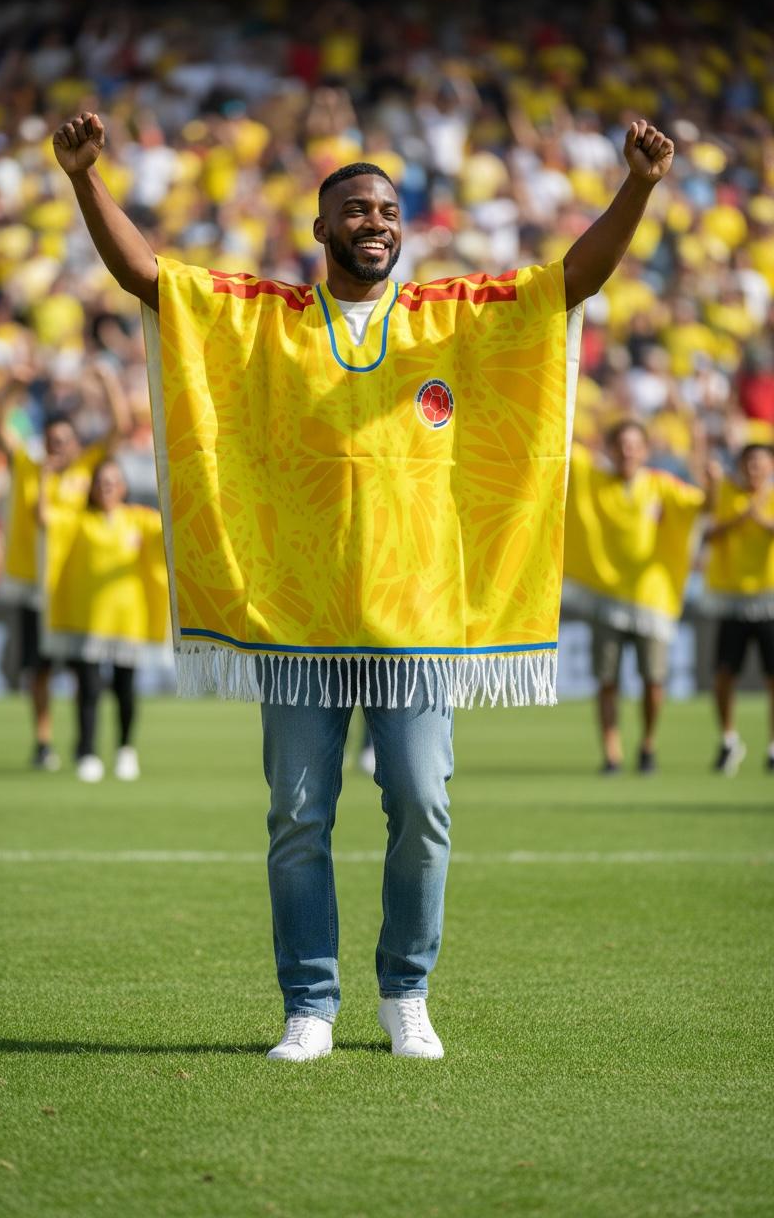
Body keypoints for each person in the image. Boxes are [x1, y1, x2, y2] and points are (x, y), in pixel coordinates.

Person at [55, 108, 674, 1061]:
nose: (374, 220)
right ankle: (310, 1006)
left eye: (387, 208)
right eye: (354, 209)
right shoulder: (268, 317)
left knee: (422, 807)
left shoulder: (448, 318)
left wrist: (636, 185)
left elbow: (569, 284)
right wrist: (87, 176)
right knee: (298, 817)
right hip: (299, 620)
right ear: (321, 229)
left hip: (419, 617)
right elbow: (148, 279)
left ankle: (406, 994)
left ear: (404, 224)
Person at [0, 370, 130, 769]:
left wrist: (106, 381)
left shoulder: (87, 466)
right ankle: (43, 742)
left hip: (76, 585)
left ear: (75, 444)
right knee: (39, 668)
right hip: (37, 585)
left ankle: (85, 745)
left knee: (83, 669)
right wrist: (13, 391)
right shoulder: (29, 466)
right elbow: (2, 429)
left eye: (63, 442)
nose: (57, 448)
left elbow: (120, 426)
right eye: (51, 442)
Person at [562, 420, 705, 773]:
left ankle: (647, 744)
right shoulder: (594, 479)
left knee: (654, 681)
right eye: (620, 445)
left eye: (633, 445)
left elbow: (701, 505)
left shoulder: (660, 485)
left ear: (645, 450)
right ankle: (612, 753)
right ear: (609, 449)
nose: (627, 451)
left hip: (651, 599)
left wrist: (708, 471)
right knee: (607, 681)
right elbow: (564, 441)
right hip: (606, 598)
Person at [38, 457, 168, 782]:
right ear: (92, 488)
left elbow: (171, 524)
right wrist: (43, 478)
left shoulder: (138, 520)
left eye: (113, 481)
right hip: (89, 622)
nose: (107, 487)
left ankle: (125, 749)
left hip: (128, 620)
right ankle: (87, 751)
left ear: (123, 487)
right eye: (101, 482)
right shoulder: (80, 521)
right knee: (89, 688)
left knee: (125, 690)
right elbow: (43, 519)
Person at [703, 445, 774, 774]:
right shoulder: (726, 492)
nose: (754, 470)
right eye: (749, 463)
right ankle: (729, 740)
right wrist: (740, 518)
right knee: (723, 674)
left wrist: (760, 520)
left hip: (769, 597)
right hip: (732, 599)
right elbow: (710, 534)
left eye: (761, 464)